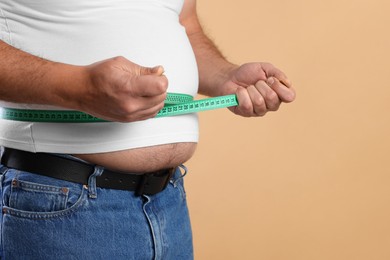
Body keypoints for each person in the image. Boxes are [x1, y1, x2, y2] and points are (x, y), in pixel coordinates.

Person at [0, 0, 295, 259]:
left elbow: (183, 22)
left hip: (169, 202)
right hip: (60, 199)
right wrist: (79, 88)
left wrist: (224, 75)